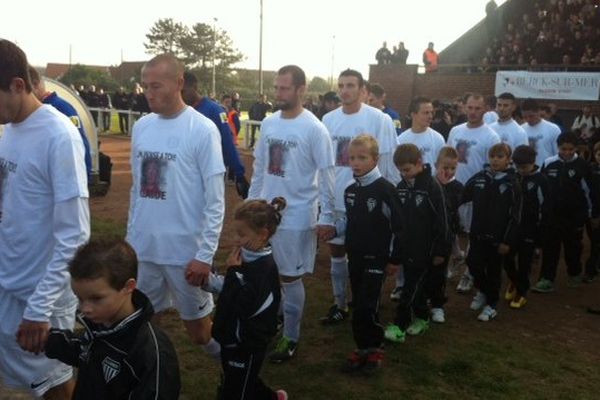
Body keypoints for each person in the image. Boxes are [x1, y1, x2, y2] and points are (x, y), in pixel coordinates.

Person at [0, 39, 90, 400]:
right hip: (9, 281)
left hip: (41, 297)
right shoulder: (9, 131)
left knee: (53, 385)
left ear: (18, 85)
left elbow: (75, 234)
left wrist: (40, 308)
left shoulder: (59, 136)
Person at [126, 54, 225, 362]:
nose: (148, 92)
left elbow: (215, 198)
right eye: (145, 86)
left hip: (184, 253)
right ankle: (151, 379)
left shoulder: (202, 129)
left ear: (179, 83)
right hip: (144, 248)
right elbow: (136, 188)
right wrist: (131, 241)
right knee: (143, 324)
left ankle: (234, 364)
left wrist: (204, 254)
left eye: (156, 85)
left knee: (198, 333)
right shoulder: (142, 127)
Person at [248, 65, 335, 363]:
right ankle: (276, 320)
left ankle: (291, 336)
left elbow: (327, 175)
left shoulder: (314, 128)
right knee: (266, 274)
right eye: (276, 87)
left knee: (289, 276)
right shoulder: (270, 124)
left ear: (301, 90)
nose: (278, 93)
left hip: (297, 216)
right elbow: (259, 168)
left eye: (284, 88)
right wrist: (251, 205)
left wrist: (327, 216)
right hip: (264, 216)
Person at [44, 240, 181, 399]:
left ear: (128, 287)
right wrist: (47, 339)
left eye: (96, 298)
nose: (84, 308)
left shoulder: (151, 353)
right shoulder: (101, 325)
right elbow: (88, 353)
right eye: (79, 298)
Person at [320, 69, 399, 325]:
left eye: (350, 85)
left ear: (363, 90)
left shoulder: (380, 120)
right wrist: (326, 205)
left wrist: (390, 198)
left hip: (371, 202)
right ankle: (339, 303)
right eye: (341, 85)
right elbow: (325, 166)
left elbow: (387, 162)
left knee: (368, 255)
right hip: (338, 199)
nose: (344, 90)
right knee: (337, 253)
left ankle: (367, 302)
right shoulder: (328, 120)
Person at [208, 199, 288, 400]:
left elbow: (244, 305)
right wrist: (210, 281)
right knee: (240, 378)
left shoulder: (265, 269)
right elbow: (230, 292)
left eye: (241, 235)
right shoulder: (245, 256)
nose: (236, 239)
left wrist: (233, 273)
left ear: (262, 235)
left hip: (247, 344)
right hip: (231, 339)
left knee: (236, 390)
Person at [338, 135, 402, 373]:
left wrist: (394, 258)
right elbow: (350, 222)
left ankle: (374, 347)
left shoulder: (386, 190)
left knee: (368, 304)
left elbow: (399, 227)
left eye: (362, 158)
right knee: (358, 303)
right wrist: (333, 230)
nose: (355, 162)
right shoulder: (350, 191)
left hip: (377, 258)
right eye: (352, 158)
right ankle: (362, 346)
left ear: (375, 159)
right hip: (355, 256)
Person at [384, 143, 449, 342]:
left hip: (426, 250)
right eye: (400, 171)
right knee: (416, 287)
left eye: (407, 169)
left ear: (419, 163)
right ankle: (422, 317)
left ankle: (399, 324)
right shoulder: (401, 188)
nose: (404, 174)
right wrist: (395, 255)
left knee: (410, 287)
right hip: (407, 247)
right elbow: (398, 224)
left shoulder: (432, 187)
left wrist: (440, 251)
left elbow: (442, 221)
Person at [447, 94, 501, 293]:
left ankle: (469, 274)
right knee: (449, 228)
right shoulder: (455, 130)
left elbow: (493, 168)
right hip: (453, 188)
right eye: (469, 107)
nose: (472, 112)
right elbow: (447, 157)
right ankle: (457, 256)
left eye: (477, 108)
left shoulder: (491, 135)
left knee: (471, 235)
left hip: (475, 193)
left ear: (485, 109)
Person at [461, 143, 521, 321]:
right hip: (478, 234)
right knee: (473, 263)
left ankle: (491, 305)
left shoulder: (512, 183)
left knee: (494, 271)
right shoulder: (480, 177)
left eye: (500, 157)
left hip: (498, 238)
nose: (495, 160)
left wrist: (507, 241)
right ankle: (484, 291)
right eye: (493, 156)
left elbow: (515, 216)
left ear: (508, 160)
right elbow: (462, 194)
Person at [533, 132, 599, 292]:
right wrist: (541, 211)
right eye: (563, 149)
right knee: (550, 249)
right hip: (552, 215)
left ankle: (574, 273)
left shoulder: (583, 166)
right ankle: (546, 279)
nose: (567, 152)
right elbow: (541, 190)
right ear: (558, 147)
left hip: (575, 216)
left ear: (576, 148)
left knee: (573, 248)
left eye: (571, 149)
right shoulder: (548, 163)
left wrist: (591, 214)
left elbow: (590, 192)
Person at [182, 71, 250, 199]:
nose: (180, 96)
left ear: (195, 87)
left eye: (183, 92)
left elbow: (227, 142)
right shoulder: (179, 111)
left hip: (207, 171)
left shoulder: (215, 111)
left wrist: (239, 174)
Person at [29, 66, 93, 182]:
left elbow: (79, 142)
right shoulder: (35, 110)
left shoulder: (62, 108)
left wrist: (85, 175)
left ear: (35, 85)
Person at [507, 145, 550, 308]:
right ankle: (513, 280)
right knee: (507, 258)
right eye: (518, 167)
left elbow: (545, 209)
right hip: (512, 228)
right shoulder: (512, 176)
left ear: (533, 163)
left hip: (530, 229)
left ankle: (521, 292)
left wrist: (540, 239)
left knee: (525, 263)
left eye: (524, 167)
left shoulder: (541, 181)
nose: (521, 170)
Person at [430, 147, 464, 323]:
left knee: (439, 273)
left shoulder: (457, 187)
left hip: (444, 239)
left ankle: (437, 305)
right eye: (445, 167)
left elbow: (451, 211)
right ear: (436, 165)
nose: (449, 172)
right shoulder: (428, 183)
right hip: (427, 237)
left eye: (453, 169)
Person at [521, 98, 561, 167]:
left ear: (539, 112)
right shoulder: (520, 129)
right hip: (526, 172)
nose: (528, 119)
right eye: (525, 117)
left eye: (531, 116)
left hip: (547, 170)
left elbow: (558, 154)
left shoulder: (553, 129)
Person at [584, 141, 600, 283]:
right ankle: (590, 270)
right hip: (594, 213)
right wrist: (592, 214)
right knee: (595, 242)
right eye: (599, 154)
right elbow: (588, 193)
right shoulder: (591, 170)